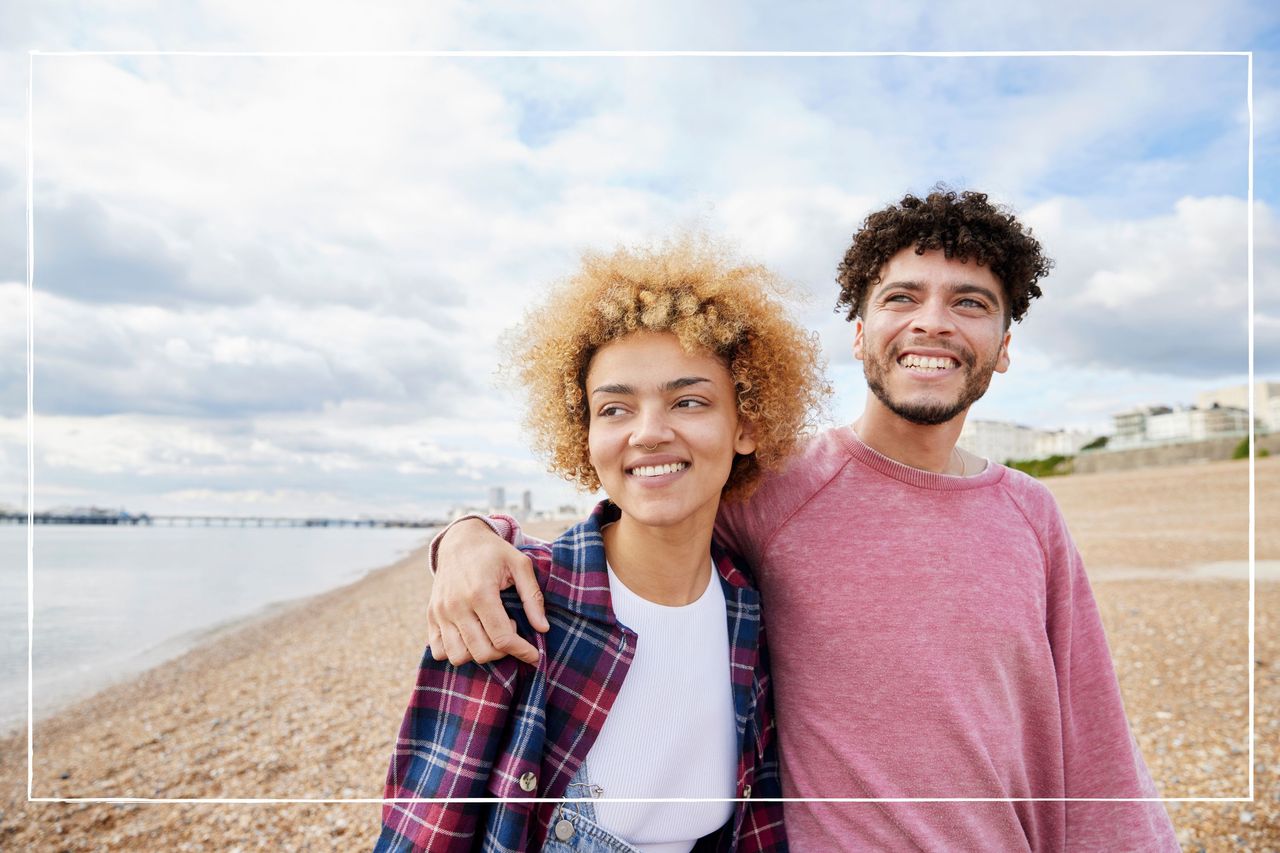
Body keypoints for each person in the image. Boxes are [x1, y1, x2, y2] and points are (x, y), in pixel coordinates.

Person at [425, 189, 1180, 851]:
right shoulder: (778, 491)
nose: (932, 324)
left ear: (1003, 348)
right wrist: (469, 535)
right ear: (857, 334)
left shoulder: (1031, 511)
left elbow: (1095, 734)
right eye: (901, 297)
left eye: (970, 302)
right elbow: (635, 520)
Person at [376, 236, 826, 852]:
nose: (648, 433)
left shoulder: (752, 611)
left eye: (688, 400)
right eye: (614, 409)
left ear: (745, 425)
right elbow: (423, 831)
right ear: (583, 433)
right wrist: (466, 534)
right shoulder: (513, 607)